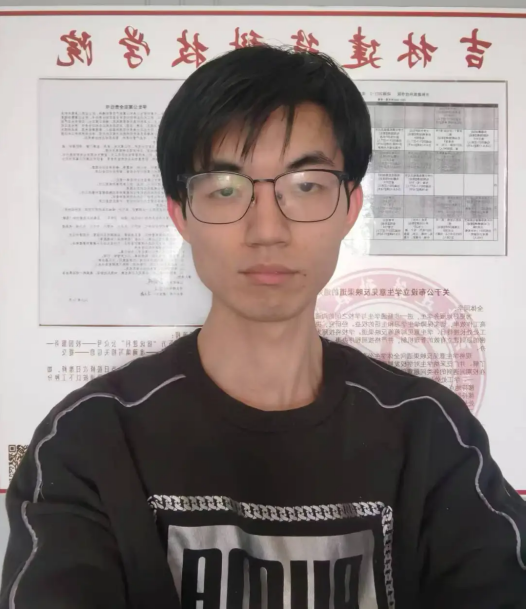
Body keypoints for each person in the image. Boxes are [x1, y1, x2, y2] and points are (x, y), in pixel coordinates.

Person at [1, 45, 524, 609]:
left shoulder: (432, 435)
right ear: (180, 213)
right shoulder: (88, 441)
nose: (267, 230)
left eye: (306, 185)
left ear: (351, 207)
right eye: (226, 188)